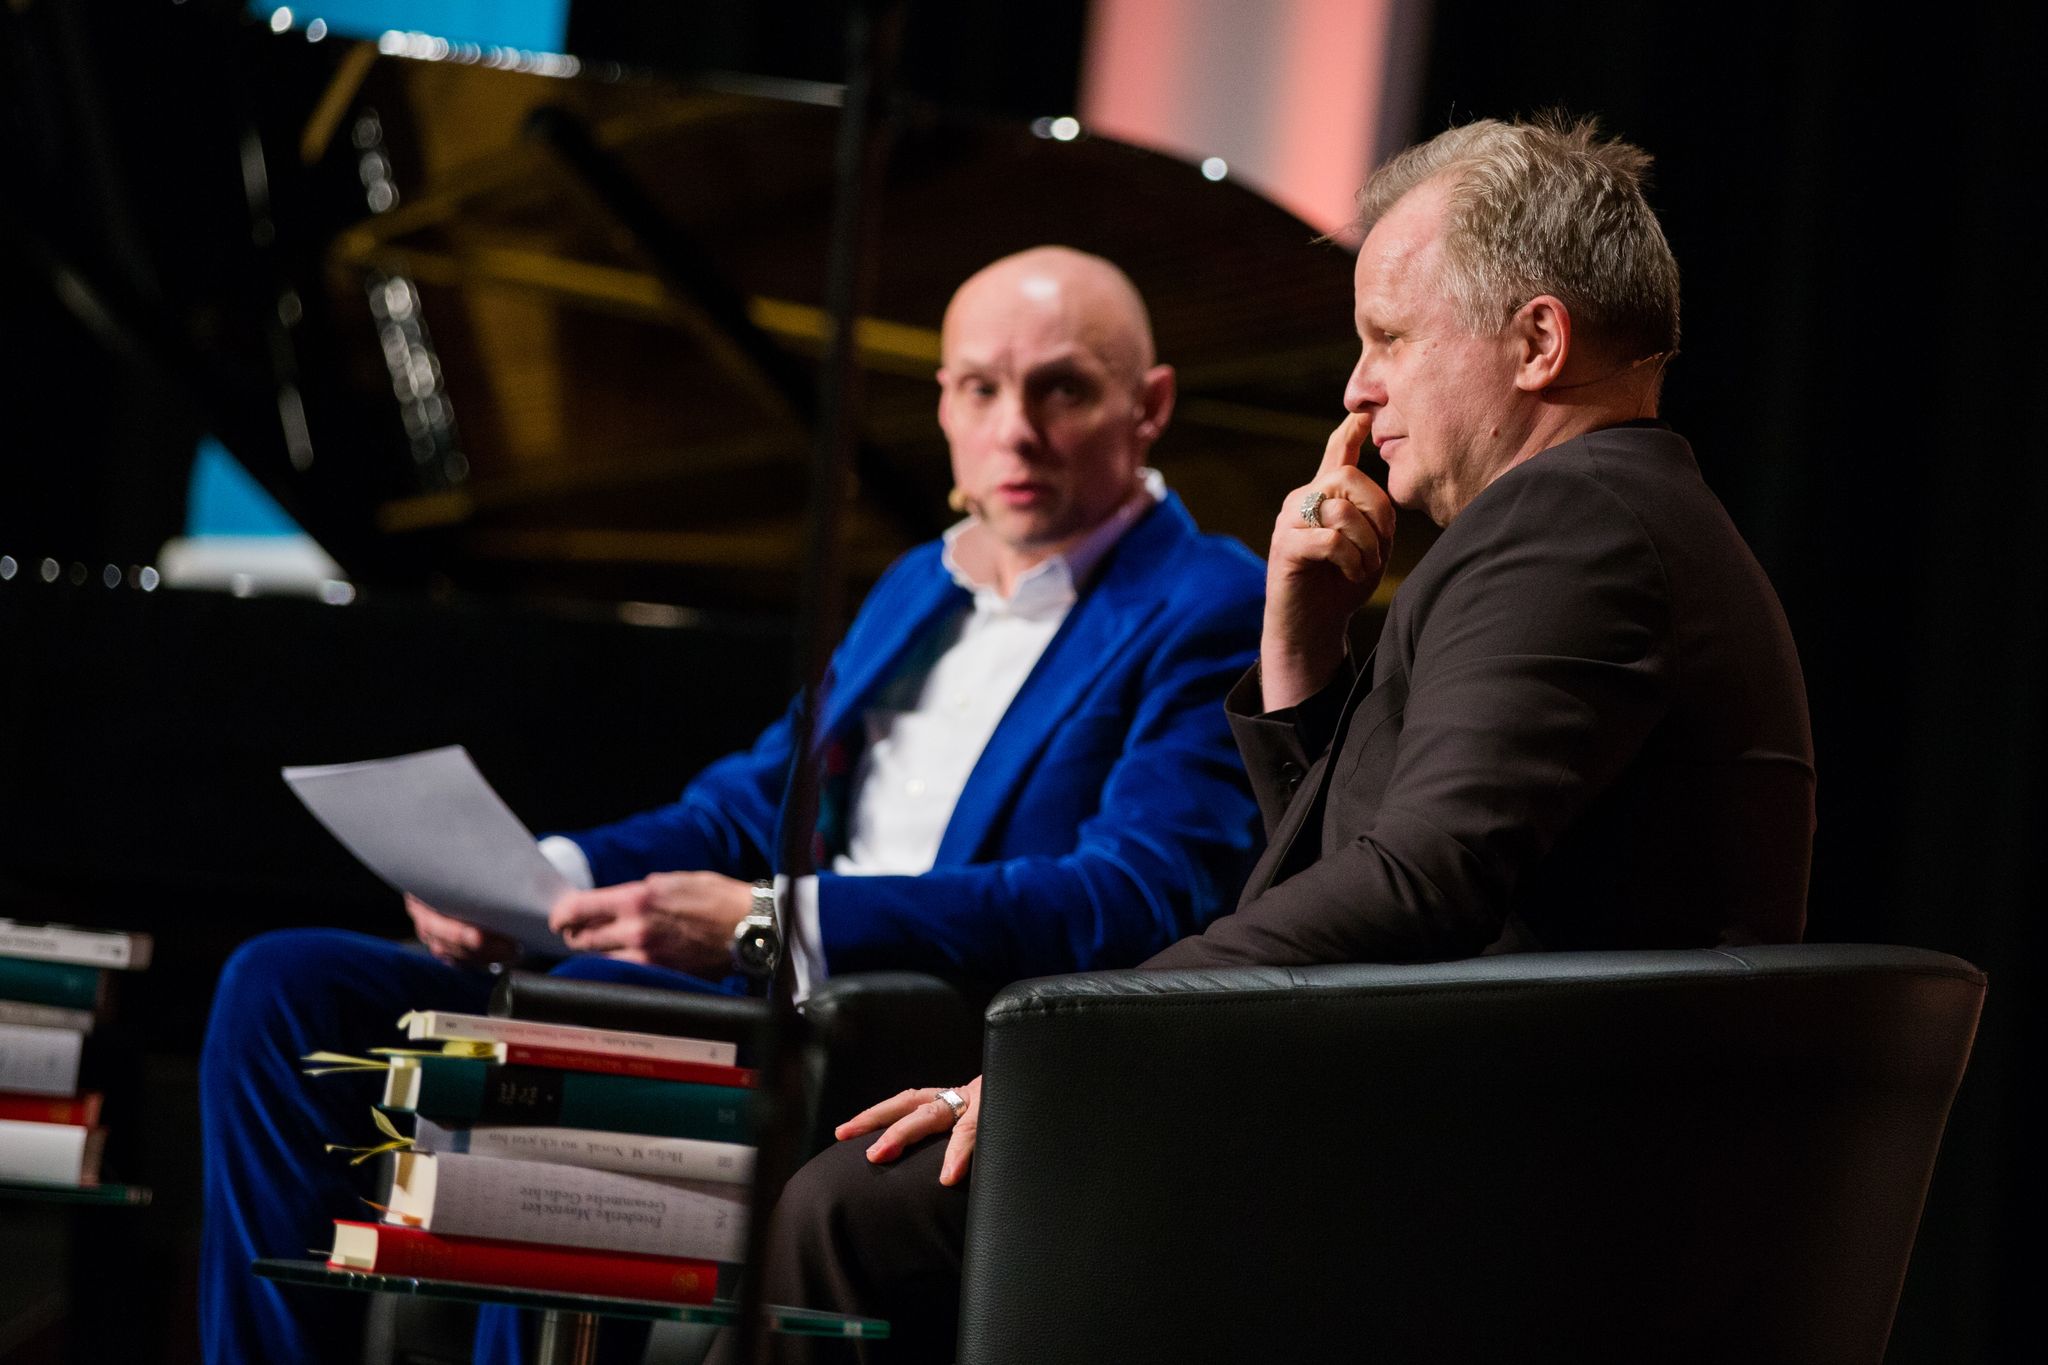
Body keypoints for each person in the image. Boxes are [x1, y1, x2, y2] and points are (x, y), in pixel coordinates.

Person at [752, 115, 1816, 1364]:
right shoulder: (1605, 513)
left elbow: (1418, 886)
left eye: (1388, 340)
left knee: (852, 1209)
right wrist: (1300, 639)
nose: (1356, 389)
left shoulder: (1570, 526)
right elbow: (1385, 866)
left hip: (1497, 1198)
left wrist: (1071, 1051)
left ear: (1536, 341)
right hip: (1477, 1144)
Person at [195, 246, 1268, 1365]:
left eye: (1062, 388)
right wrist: (536, 878)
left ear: (1147, 408)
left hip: (892, 1038)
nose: (1014, 429)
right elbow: (743, 808)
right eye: (979, 388)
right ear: (942, 402)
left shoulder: (1206, 602)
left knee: (591, 1003)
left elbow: (1134, 895)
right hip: (741, 996)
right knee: (285, 984)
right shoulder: (921, 582)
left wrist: (774, 921)